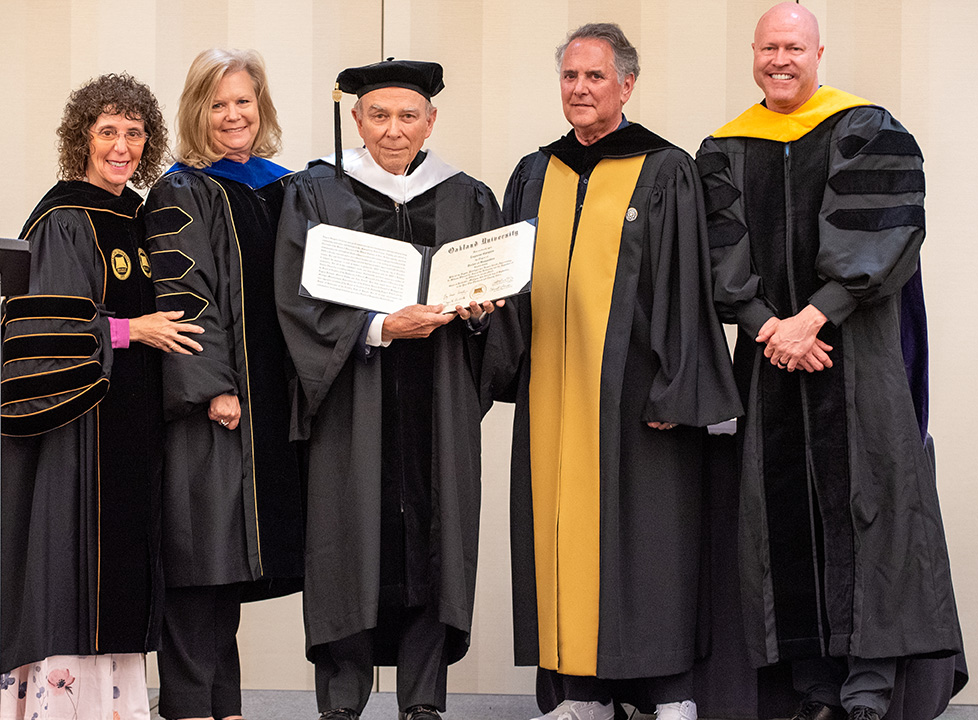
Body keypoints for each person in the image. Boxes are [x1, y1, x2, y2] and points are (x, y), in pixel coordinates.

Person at [696, 5, 963, 720]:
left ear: (819, 52)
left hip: (857, 353)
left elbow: (885, 238)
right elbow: (717, 253)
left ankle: (868, 687)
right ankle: (814, 687)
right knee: (780, 517)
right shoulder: (722, 148)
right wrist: (765, 325)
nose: (780, 58)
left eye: (793, 46)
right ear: (752, 54)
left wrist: (810, 320)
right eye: (769, 47)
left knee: (869, 503)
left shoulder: (869, 129)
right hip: (768, 356)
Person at [491, 23, 742, 720]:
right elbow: (510, 284)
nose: (580, 89)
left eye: (595, 77)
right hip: (554, 394)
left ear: (627, 85)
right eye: (570, 76)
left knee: (652, 544)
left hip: (638, 394)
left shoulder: (665, 169)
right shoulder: (535, 171)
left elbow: (687, 287)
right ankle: (579, 692)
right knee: (559, 539)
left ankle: (668, 693)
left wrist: (679, 385)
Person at [273, 59, 512, 720]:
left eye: (409, 116)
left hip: (438, 397)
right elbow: (295, 298)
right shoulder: (316, 191)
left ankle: (424, 702)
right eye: (378, 115)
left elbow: (500, 310)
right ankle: (342, 700)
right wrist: (378, 327)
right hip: (355, 398)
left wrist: (480, 314)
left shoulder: (466, 195)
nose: (394, 130)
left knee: (437, 538)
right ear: (357, 119)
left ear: (430, 121)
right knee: (345, 536)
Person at [0, 72, 204, 720]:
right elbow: (49, 330)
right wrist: (130, 328)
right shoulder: (61, 218)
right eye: (108, 131)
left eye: (134, 133)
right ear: (81, 138)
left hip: (135, 427)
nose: (122, 146)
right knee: (74, 569)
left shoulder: (142, 219)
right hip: (77, 432)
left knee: (124, 574)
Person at [143, 48, 305, 720]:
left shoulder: (283, 187)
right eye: (218, 104)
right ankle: (187, 705)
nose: (233, 115)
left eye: (243, 101)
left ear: (259, 107)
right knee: (198, 562)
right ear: (196, 112)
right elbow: (185, 293)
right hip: (214, 404)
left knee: (228, 566)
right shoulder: (181, 191)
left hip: (268, 403)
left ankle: (225, 707)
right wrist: (213, 386)